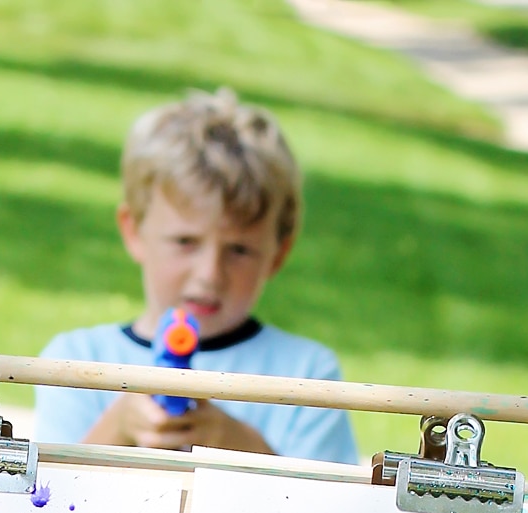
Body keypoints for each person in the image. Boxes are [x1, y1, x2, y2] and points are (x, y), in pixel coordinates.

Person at [35, 89, 357, 465]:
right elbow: (51, 501)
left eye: (239, 250)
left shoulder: (309, 376)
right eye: (185, 242)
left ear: (278, 254)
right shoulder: (75, 363)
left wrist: (235, 442)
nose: (209, 275)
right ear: (134, 232)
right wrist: (119, 427)